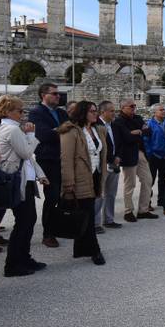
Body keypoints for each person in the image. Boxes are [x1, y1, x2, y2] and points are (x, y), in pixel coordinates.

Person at [0, 95, 49, 277]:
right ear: (8, 111)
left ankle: (24, 257)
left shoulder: (4, 128)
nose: (23, 114)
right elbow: (26, 153)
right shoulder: (12, 129)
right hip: (19, 181)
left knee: (27, 221)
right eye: (19, 111)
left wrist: (40, 174)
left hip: (23, 179)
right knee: (24, 222)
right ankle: (14, 263)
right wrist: (31, 135)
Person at [58, 101, 106, 265]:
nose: (96, 113)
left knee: (86, 213)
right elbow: (66, 158)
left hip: (95, 175)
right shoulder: (70, 131)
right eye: (92, 111)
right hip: (79, 178)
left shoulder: (98, 129)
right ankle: (95, 250)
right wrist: (68, 183)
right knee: (87, 214)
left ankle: (81, 249)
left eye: (96, 111)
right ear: (83, 112)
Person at [28, 82, 68, 248]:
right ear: (43, 95)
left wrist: (58, 130)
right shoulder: (37, 112)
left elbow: (70, 130)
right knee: (52, 196)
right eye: (54, 93)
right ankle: (48, 233)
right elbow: (44, 135)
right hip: (48, 159)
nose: (58, 96)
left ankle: (59, 227)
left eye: (58, 94)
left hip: (64, 157)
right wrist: (61, 130)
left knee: (62, 195)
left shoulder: (61, 112)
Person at [113, 99, 156, 222]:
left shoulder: (137, 118)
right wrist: (135, 133)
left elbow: (148, 132)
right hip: (127, 155)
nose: (133, 108)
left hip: (140, 152)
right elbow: (126, 137)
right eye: (131, 106)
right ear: (123, 108)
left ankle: (143, 210)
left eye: (134, 106)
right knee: (130, 184)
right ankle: (128, 211)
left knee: (148, 180)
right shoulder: (119, 121)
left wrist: (137, 132)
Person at [95, 101, 122, 230]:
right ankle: (96, 223)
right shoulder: (95, 126)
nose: (114, 113)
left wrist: (118, 157)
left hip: (114, 164)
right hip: (101, 164)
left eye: (114, 110)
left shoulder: (114, 125)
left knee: (111, 193)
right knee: (99, 194)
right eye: (111, 111)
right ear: (102, 112)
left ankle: (109, 219)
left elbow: (119, 143)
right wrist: (111, 158)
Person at [144, 104, 165, 210]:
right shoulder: (149, 124)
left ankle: (162, 200)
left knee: (163, 179)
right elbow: (145, 140)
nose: (163, 111)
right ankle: (147, 202)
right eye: (161, 110)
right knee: (151, 180)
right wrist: (150, 153)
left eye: (164, 110)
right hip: (154, 156)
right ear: (155, 112)